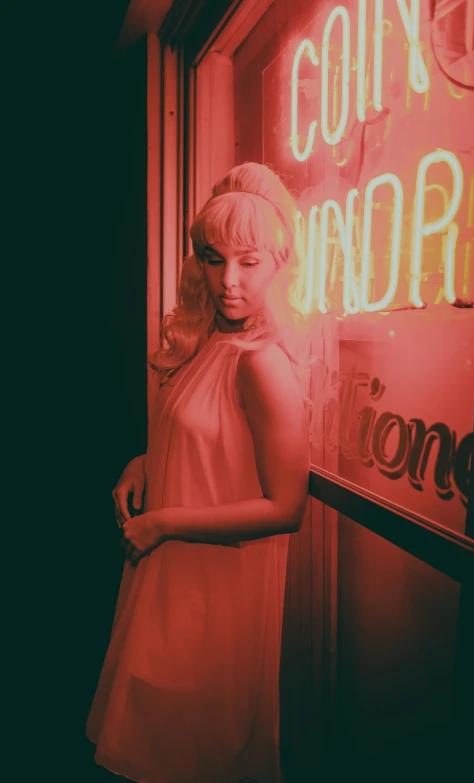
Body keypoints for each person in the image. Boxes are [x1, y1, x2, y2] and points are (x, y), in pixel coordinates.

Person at [86, 162, 318, 783]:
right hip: (168, 578)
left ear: (280, 265)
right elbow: (200, 433)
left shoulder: (262, 362)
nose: (228, 281)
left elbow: (287, 507)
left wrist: (162, 522)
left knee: (189, 754)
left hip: (211, 594)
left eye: (249, 262)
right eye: (214, 260)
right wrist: (144, 459)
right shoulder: (207, 342)